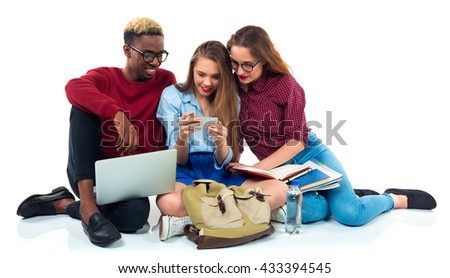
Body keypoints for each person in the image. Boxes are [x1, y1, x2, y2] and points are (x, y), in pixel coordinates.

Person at [226, 25, 436, 227]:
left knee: (350, 214)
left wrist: (254, 169)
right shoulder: (232, 87)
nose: (240, 71)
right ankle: (343, 195)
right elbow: (236, 132)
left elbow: (298, 142)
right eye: (234, 63)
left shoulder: (285, 85)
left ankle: (392, 199)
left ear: (264, 59)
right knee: (306, 211)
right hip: (278, 168)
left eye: (248, 64)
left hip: (309, 155)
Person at [16, 17, 176, 247]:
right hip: (90, 175)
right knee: (82, 107)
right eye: (147, 54)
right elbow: (73, 87)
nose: (155, 62)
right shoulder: (105, 77)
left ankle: (65, 204)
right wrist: (116, 113)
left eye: (160, 55)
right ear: (127, 50)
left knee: (136, 216)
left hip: (130, 178)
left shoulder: (165, 80)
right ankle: (88, 205)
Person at [156, 40, 289, 241]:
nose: (207, 83)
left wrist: (221, 143)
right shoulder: (172, 96)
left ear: (224, 76)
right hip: (185, 170)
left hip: (222, 171)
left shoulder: (232, 98)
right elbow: (179, 160)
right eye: (201, 74)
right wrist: (182, 137)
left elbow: (231, 157)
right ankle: (251, 212)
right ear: (192, 68)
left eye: (215, 77)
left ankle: (188, 220)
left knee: (280, 190)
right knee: (167, 202)